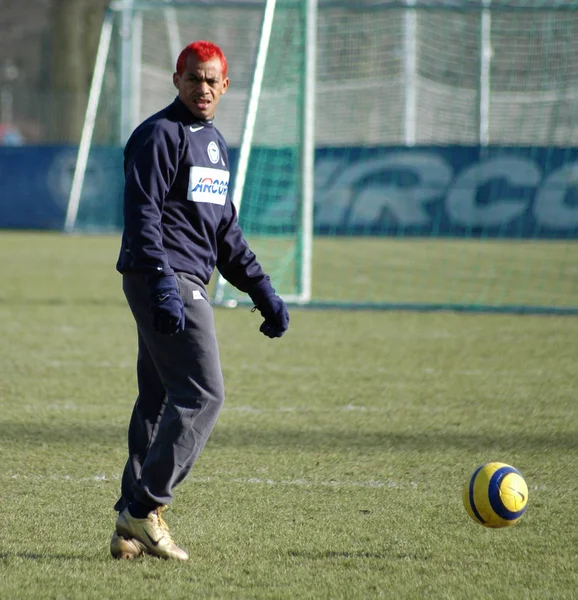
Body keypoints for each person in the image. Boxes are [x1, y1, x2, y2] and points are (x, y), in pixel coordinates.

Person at [110, 40, 290, 561]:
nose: (203, 88)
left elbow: (224, 233)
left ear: (225, 86)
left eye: (212, 80)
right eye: (194, 78)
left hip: (183, 278)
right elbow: (142, 214)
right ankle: (144, 509)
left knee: (158, 400)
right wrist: (163, 281)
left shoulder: (215, 144)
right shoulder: (157, 135)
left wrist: (262, 289)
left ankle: (128, 530)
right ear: (176, 80)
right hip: (164, 279)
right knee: (203, 394)